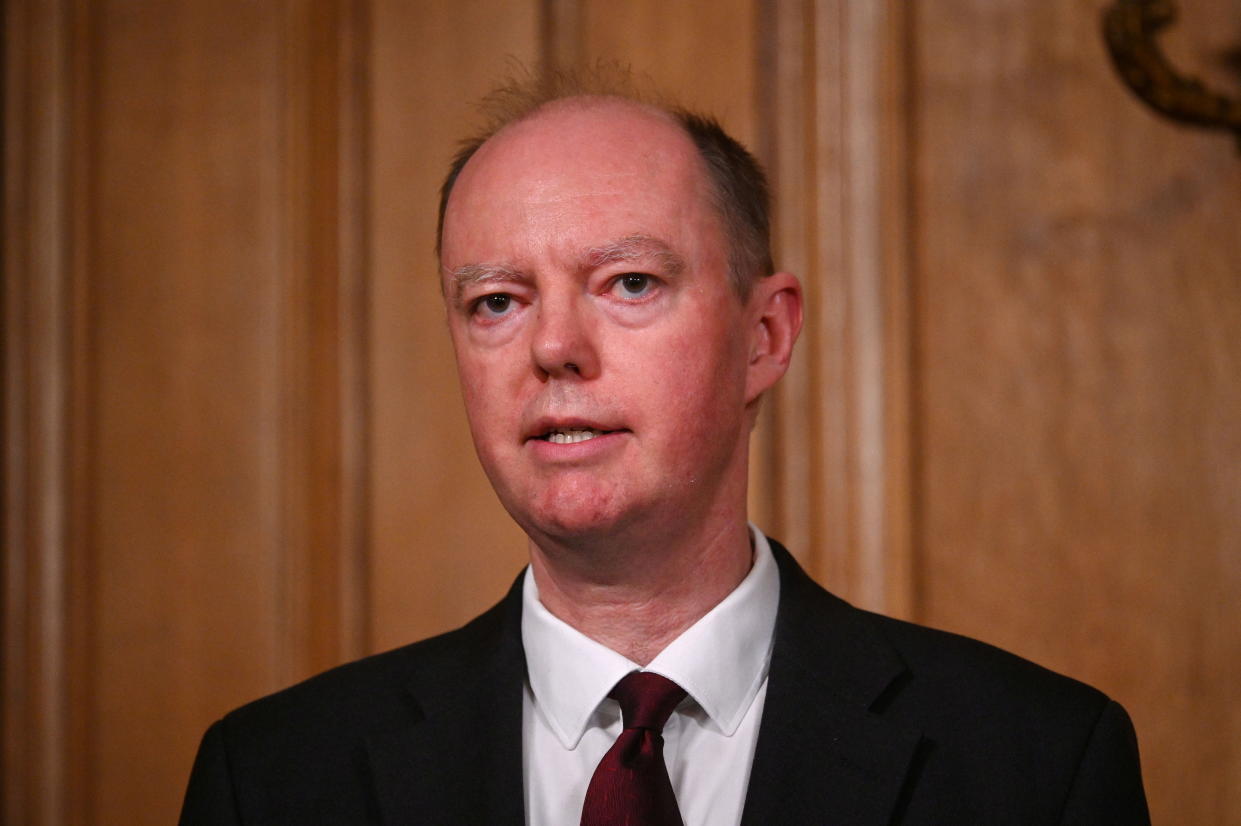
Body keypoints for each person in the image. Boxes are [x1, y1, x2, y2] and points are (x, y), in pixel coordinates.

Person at [179, 70, 1150, 825]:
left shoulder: (1036, 763)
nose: (553, 346)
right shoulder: (270, 778)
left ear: (762, 336)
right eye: (496, 302)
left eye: (629, 283)